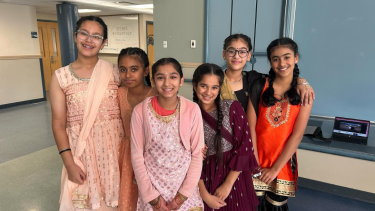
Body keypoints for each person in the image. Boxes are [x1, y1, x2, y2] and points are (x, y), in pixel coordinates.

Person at [50, 16, 123, 210]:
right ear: (75, 36)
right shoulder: (61, 77)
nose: (89, 40)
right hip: (82, 155)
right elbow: (58, 123)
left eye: (96, 36)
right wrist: (69, 164)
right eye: (84, 33)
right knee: (86, 202)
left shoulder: (115, 72)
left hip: (115, 152)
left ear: (104, 43)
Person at [130, 58, 204, 211]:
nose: (166, 83)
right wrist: (153, 198)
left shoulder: (192, 109)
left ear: (181, 80)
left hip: (184, 191)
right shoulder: (140, 111)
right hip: (153, 191)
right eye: (160, 77)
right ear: (152, 80)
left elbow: (197, 154)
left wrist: (182, 196)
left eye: (173, 77)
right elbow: (137, 156)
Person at [247, 37, 313, 210]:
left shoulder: (303, 93)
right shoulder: (259, 86)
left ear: (296, 58)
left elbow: (297, 135)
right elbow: (251, 127)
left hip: (282, 163)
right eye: (275, 59)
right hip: (256, 160)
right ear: (270, 61)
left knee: (276, 206)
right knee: (253, 204)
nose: (281, 63)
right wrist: (253, 161)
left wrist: (275, 169)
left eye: (287, 57)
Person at [193, 63, 259, 211]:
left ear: (220, 87)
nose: (208, 92)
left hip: (234, 176)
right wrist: (205, 195)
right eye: (203, 86)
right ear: (194, 85)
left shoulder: (231, 107)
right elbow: (188, 158)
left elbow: (245, 147)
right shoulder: (189, 113)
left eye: (214, 87)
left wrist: (228, 184)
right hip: (204, 178)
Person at [220, 33, 315, 111]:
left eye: (242, 52)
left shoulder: (254, 79)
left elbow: (280, 78)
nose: (236, 56)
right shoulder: (214, 81)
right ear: (224, 54)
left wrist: (301, 81)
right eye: (231, 51)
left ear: (249, 55)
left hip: (249, 134)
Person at [117, 47, 158, 211]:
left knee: (149, 195)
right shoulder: (118, 93)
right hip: (127, 152)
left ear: (146, 70)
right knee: (128, 195)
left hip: (152, 154)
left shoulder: (156, 95)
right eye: (123, 70)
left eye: (134, 69)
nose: (128, 75)